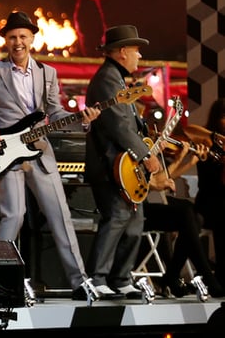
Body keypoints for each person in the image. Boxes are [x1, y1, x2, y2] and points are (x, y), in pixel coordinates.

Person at [0, 11, 99, 300]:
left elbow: (56, 111)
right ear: (5, 40)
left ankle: (80, 283)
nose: (18, 42)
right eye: (13, 37)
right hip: (7, 154)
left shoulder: (47, 72)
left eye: (23, 36)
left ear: (32, 39)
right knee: (12, 216)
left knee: (60, 217)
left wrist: (83, 119)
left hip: (39, 151)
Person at [84, 25, 162, 299]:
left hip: (123, 167)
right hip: (110, 166)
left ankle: (120, 277)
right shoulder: (107, 79)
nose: (139, 56)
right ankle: (97, 278)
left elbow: (129, 123)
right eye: (136, 51)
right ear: (122, 52)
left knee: (133, 220)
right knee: (117, 217)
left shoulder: (115, 79)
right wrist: (146, 154)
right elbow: (118, 126)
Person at [145, 142, 224, 298]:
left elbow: (164, 177)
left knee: (195, 217)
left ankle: (173, 275)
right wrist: (181, 156)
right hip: (139, 207)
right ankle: (205, 278)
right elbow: (156, 182)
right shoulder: (135, 145)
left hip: (153, 202)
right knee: (187, 213)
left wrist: (190, 161)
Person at [194, 97, 225, 291]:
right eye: (224, 116)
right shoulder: (207, 140)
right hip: (209, 202)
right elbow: (187, 131)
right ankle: (221, 276)